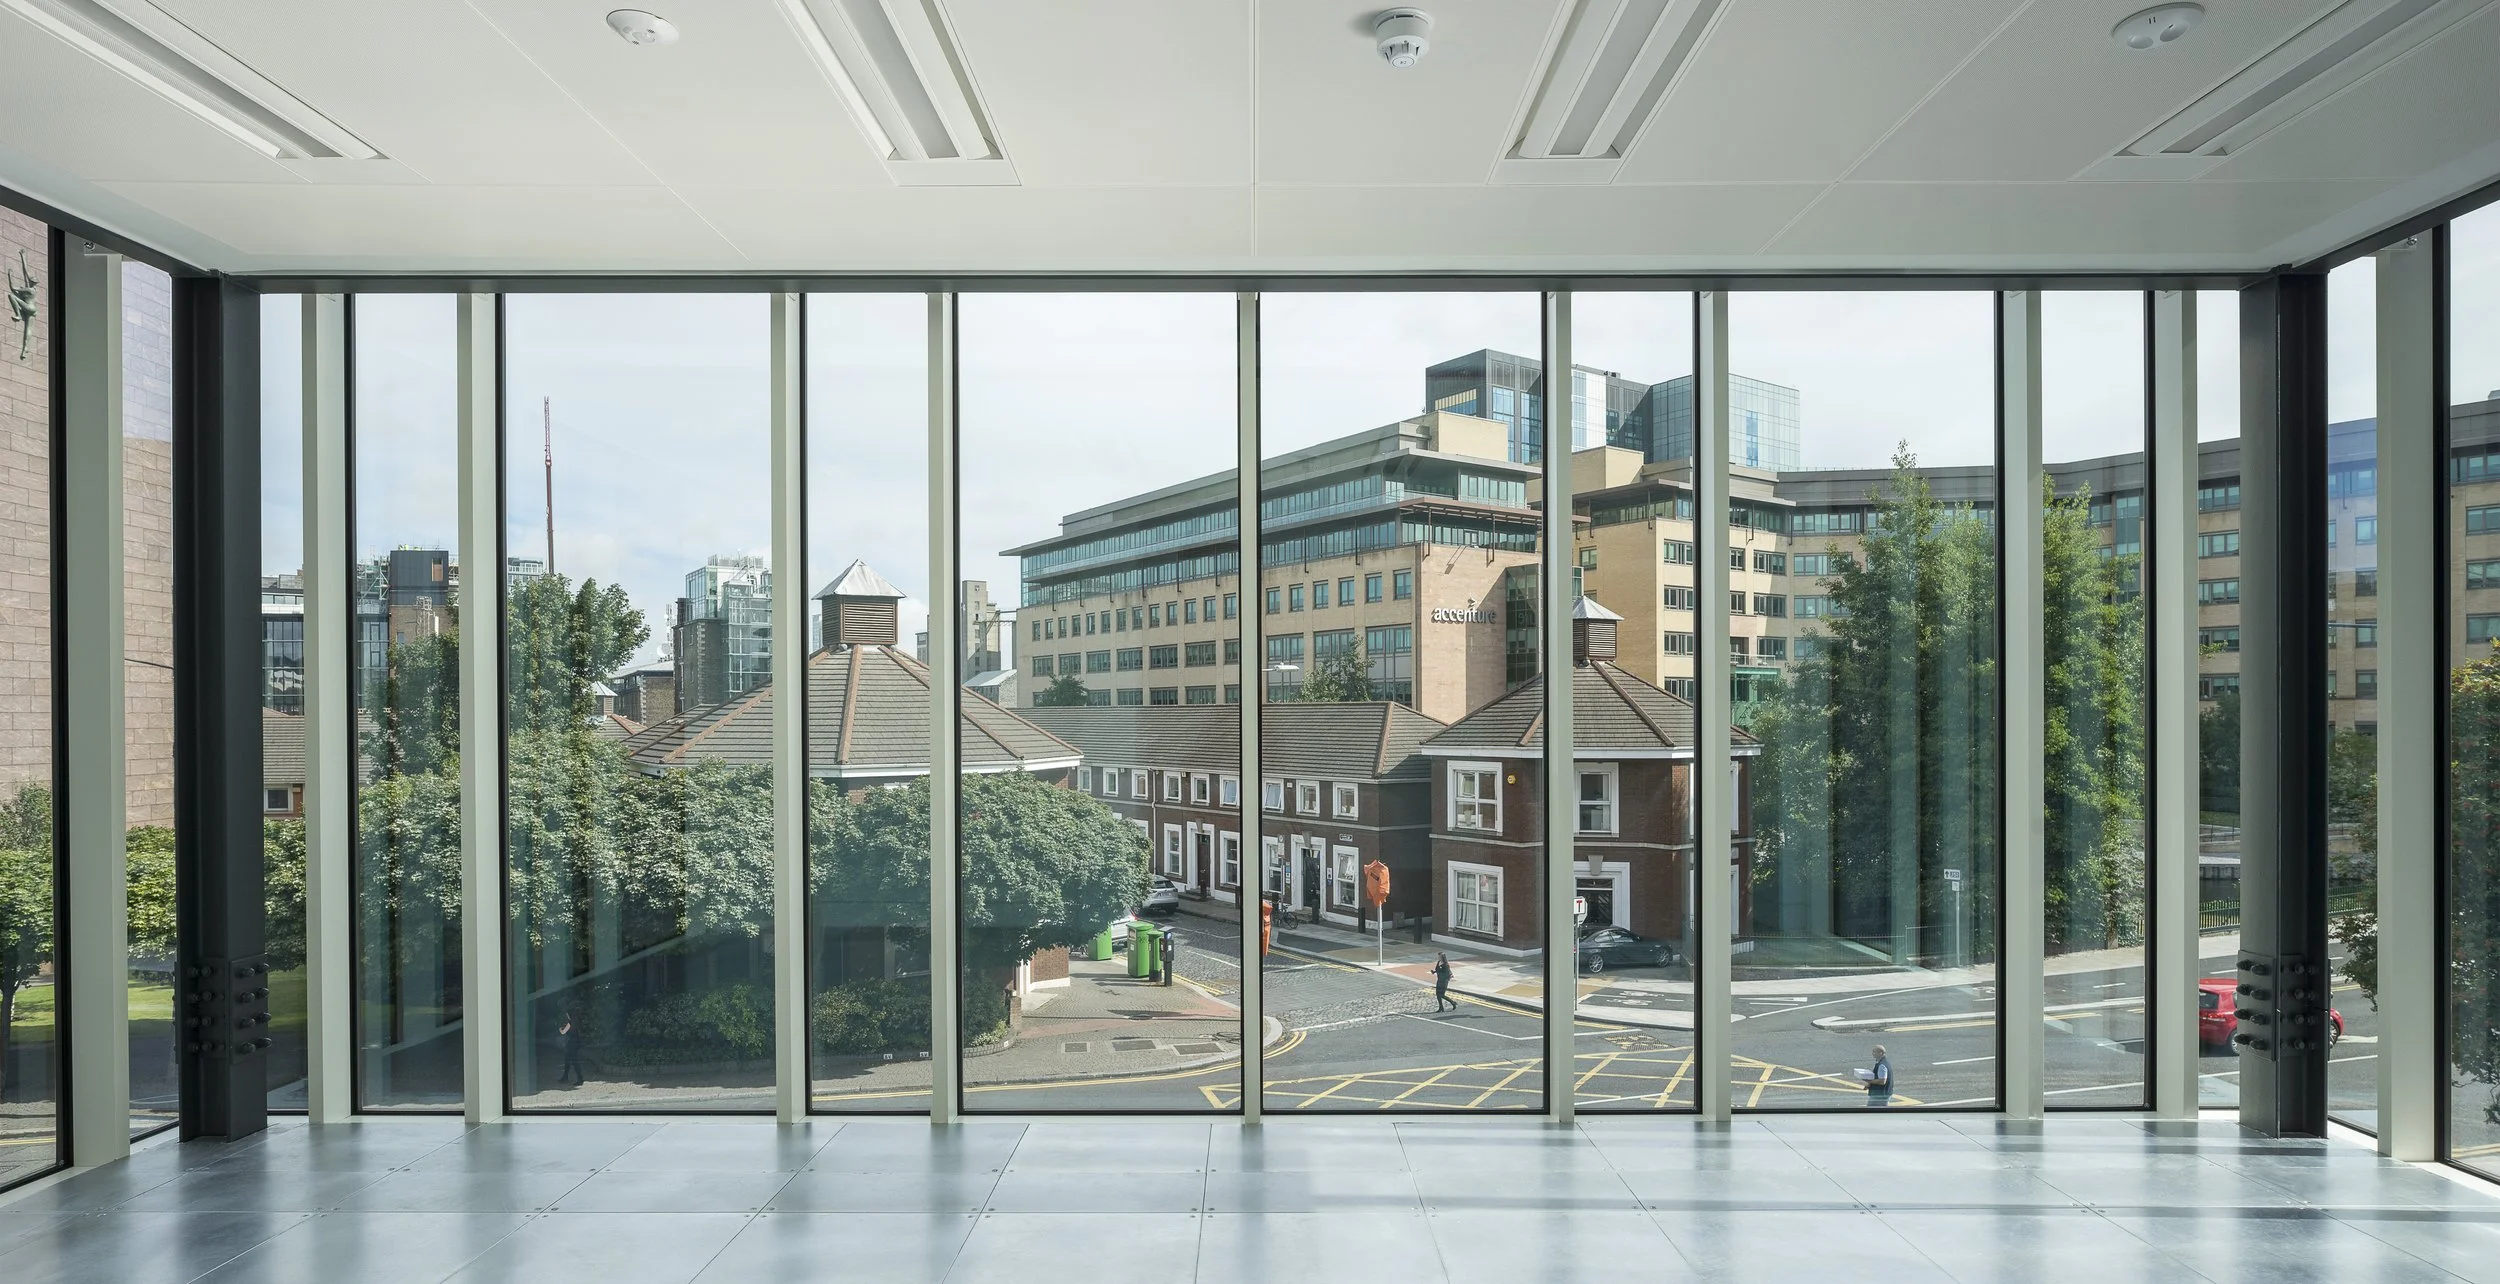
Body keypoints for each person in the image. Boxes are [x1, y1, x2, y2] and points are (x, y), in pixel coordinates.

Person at [556, 1010, 585, 1087]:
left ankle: (579, 1078)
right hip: (575, 1044)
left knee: (573, 1062)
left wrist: (560, 1029)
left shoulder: (570, 1023)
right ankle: (566, 1077)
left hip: (571, 1044)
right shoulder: (576, 1023)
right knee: (568, 1061)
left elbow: (563, 1032)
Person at [1865, 1044, 1893, 1108]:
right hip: (1882, 1094)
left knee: (1871, 1110)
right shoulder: (1885, 1062)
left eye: (1874, 1052)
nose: (1873, 1053)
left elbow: (1882, 1081)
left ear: (1881, 1053)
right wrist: (1869, 1084)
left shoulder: (1882, 1065)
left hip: (1880, 1096)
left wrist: (1869, 1081)